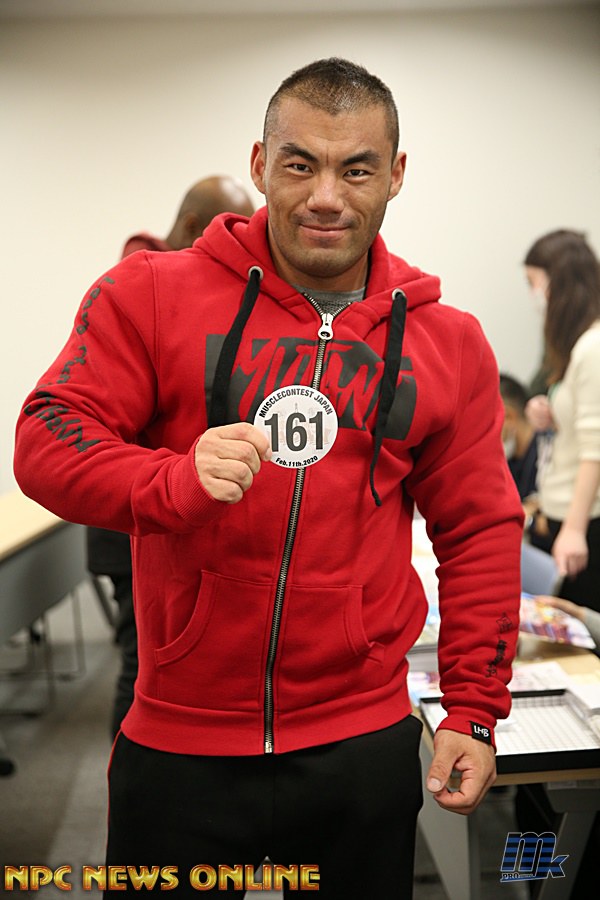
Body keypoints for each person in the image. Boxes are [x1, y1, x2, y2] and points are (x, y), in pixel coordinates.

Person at [14, 58, 522, 898]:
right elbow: (46, 440)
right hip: (180, 742)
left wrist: (473, 707)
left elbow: (479, 531)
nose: (326, 195)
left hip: (359, 740)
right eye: (300, 163)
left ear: (395, 175)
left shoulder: (448, 342)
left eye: (356, 169)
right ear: (259, 165)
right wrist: (171, 480)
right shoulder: (150, 294)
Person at [87, 175, 256, 739]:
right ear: (193, 227)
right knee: (139, 656)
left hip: (167, 512)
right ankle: (123, 765)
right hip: (131, 520)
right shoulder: (141, 292)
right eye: (229, 228)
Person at [524, 230, 600, 613]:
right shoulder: (574, 345)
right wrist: (546, 410)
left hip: (585, 522)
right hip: (562, 514)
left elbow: (596, 451)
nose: (533, 295)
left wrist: (574, 528)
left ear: (559, 282)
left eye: (533, 283)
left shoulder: (593, 346)